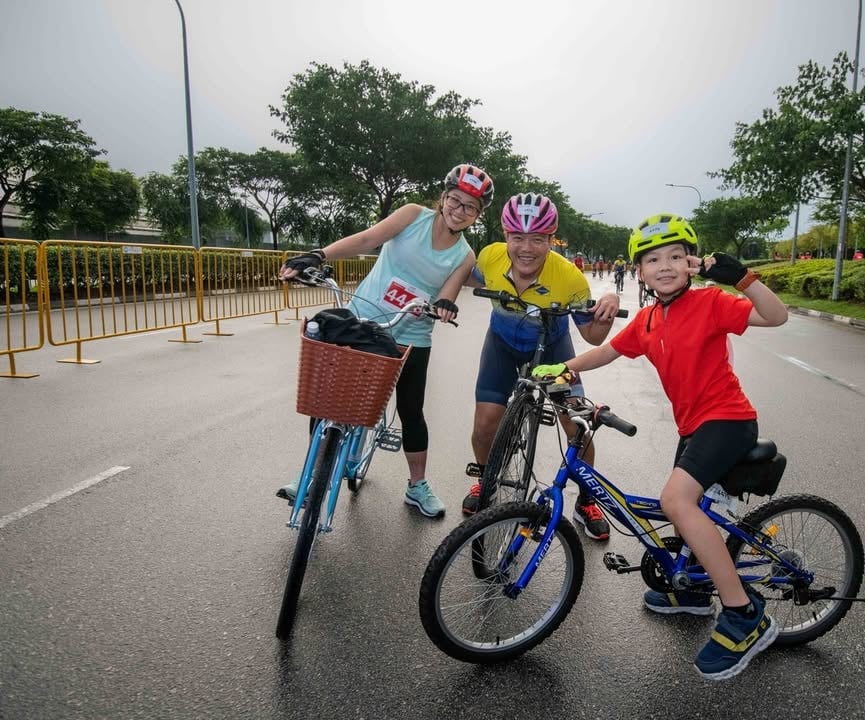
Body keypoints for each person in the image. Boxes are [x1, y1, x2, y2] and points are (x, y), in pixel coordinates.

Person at [531, 213, 788, 680]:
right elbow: (607, 351)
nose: (665, 266)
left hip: (729, 421)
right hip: (694, 427)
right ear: (639, 271)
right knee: (680, 509)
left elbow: (776, 316)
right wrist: (562, 369)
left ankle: (744, 613)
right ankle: (691, 591)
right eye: (652, 259)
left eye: (675, 256)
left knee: (675, 499)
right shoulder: (649, 319)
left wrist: (743, 278)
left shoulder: (711, 302)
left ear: (692, 263)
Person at [277, 164, 495, 519]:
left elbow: (448, 294)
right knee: (329, 398)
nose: (459, 210)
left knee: (411, 411)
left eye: (470, 207)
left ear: (476, 216)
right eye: (455, 200)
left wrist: (443, 307)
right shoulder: (413, 216)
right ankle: (312, 474)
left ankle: (417, 486)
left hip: (411, 334)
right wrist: (318, 255)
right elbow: (367, 239)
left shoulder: (465, 255)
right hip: (363, 321)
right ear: (443, 198)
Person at [461, 192, 620, 540]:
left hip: (553, 352)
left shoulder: (569, 277)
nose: (526, 248)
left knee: (578, 426)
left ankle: (587, 499)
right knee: (485, 423)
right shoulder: (489, 257)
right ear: (505, 236)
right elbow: (466, 275)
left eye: (538, 238)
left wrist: (608, 305)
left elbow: (593, 338)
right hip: (501, 346)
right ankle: (484, 480)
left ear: (552, 239)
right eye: (517, 237)